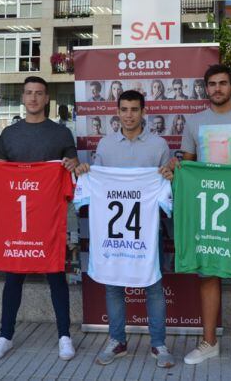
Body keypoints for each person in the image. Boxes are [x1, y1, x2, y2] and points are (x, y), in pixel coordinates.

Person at [0, 76, 79, 362]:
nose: (33, 98)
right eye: (29, 93)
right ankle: (5, 335)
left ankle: (64, 336)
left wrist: (71, 163)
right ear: (23, 98)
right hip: (18, 223)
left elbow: (71, 162)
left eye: (39, 94)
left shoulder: (60, 134)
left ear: (47, 98)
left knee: (56, 276)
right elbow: (0, 169)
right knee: (13, 277)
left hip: (47, 221)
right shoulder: (9, 133)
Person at [176, 64, 231, 374]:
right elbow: (186, 166)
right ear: (206, 88)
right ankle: (208, 341)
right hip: (206, 209)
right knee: (208, 275)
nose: (217, 88)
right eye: (212, 84)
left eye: (223, 83)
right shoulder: (194, 122)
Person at [75, 90, 175, 369]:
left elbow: (167, 188)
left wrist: (169, 175)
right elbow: (100, 186)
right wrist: (86, 173)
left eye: (134, 109)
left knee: (153, 285)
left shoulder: (159, 146)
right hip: (113, 233)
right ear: (117, 112)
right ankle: (117, 340)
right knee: (113, 285)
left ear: (144, 111)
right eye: (124, 109)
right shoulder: (105, 145)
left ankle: (158, 344)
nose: (129, 115)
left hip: (148, 229)